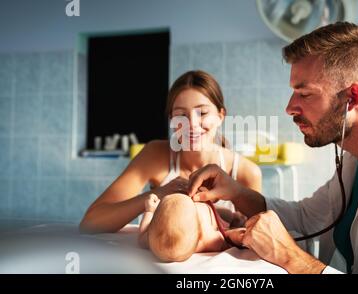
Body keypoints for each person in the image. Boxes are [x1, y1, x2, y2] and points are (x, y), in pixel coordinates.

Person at [187, 22, 358, 274]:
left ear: (352, 98)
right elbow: (304, 218)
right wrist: (235, 192)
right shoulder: (354, 160)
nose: (289, 108)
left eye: (305, 94)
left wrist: (290, 257)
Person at [79, 70, 262, 233]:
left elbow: (260, 234)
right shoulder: (154, 155)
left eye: (203, 113)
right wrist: (158, 194)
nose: (191, 125)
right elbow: (91, 223)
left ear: (220, 116)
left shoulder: (246, 172)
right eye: (181, 115)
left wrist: (238, 228)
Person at [138, 193, 247, 262]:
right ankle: (234, 217)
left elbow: (142, 236)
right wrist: (237, 235)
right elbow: (225, 237)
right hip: (214, 216)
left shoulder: (155, 240)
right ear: (199, 234)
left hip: (207, 214)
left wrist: (149, 211)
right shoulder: (206, 238)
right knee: (228, 215)